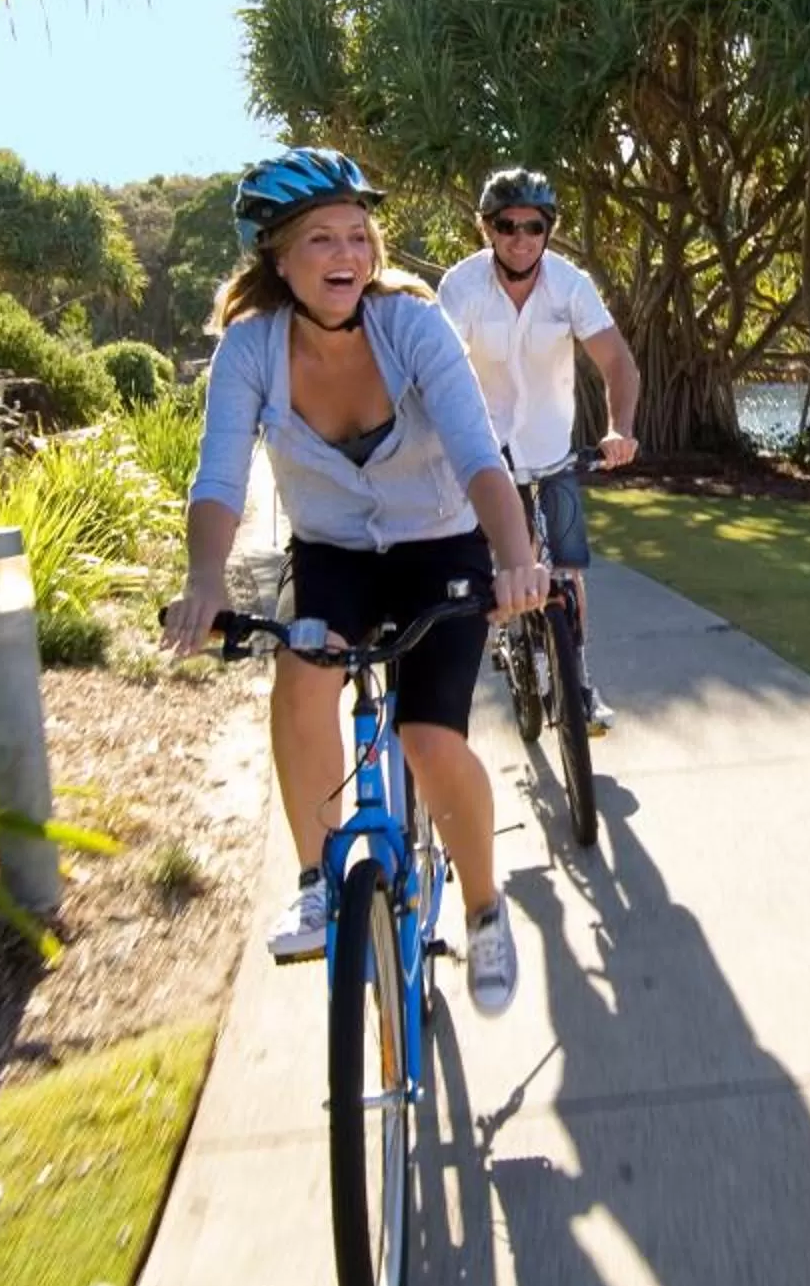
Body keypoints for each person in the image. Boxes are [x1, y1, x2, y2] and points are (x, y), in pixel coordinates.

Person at [160, 148, 545, 1015]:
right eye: (320, 238)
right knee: (302, 676)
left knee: (427, 738)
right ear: (277, 257)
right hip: (333, 553)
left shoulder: (413, 326)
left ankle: (485, 909)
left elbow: (478, 453)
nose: (346, 253)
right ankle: (315, 878)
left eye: (357, 235)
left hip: (440, 546)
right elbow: (219, 479)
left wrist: (516, 556)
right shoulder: (249, 351)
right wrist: (204, 580)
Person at [434, 167, 643, 734]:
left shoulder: (569, 285)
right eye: (507, 226)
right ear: (487, 229)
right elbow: (437, 365)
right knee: (509, 563)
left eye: (533, 226)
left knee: (566, 570)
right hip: (485, 453)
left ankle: (579, 681)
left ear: (548, 230)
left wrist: (618, 428)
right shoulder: (461, 287)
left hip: (553, 450)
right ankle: (510, 641)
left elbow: (616, 362)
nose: (521, 238)